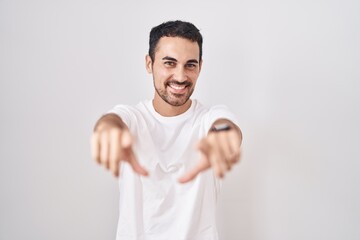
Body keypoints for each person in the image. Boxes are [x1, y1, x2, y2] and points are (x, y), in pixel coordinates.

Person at [90, 20, 243, 240]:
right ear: (149, 63)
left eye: (190, 65)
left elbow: (225, 126)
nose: (180, 77)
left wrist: (223, 138)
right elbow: (112, 121)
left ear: (200, 66)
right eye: (169, 63)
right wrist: (109, 131)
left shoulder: (209, 118)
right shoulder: (133, 118)